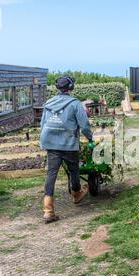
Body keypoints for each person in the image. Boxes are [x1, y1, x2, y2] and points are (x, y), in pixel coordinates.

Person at [40, 76, 95, 224]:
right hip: (68, 143)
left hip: (50, 143)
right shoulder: (75, 104)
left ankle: (48, 211)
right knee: (73, 170)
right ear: (70, 87)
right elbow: (84, 126)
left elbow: (43, 124)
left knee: (51, 173)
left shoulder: (48, 103)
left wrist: (45, 140)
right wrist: (90, 138)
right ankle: (76, 194)